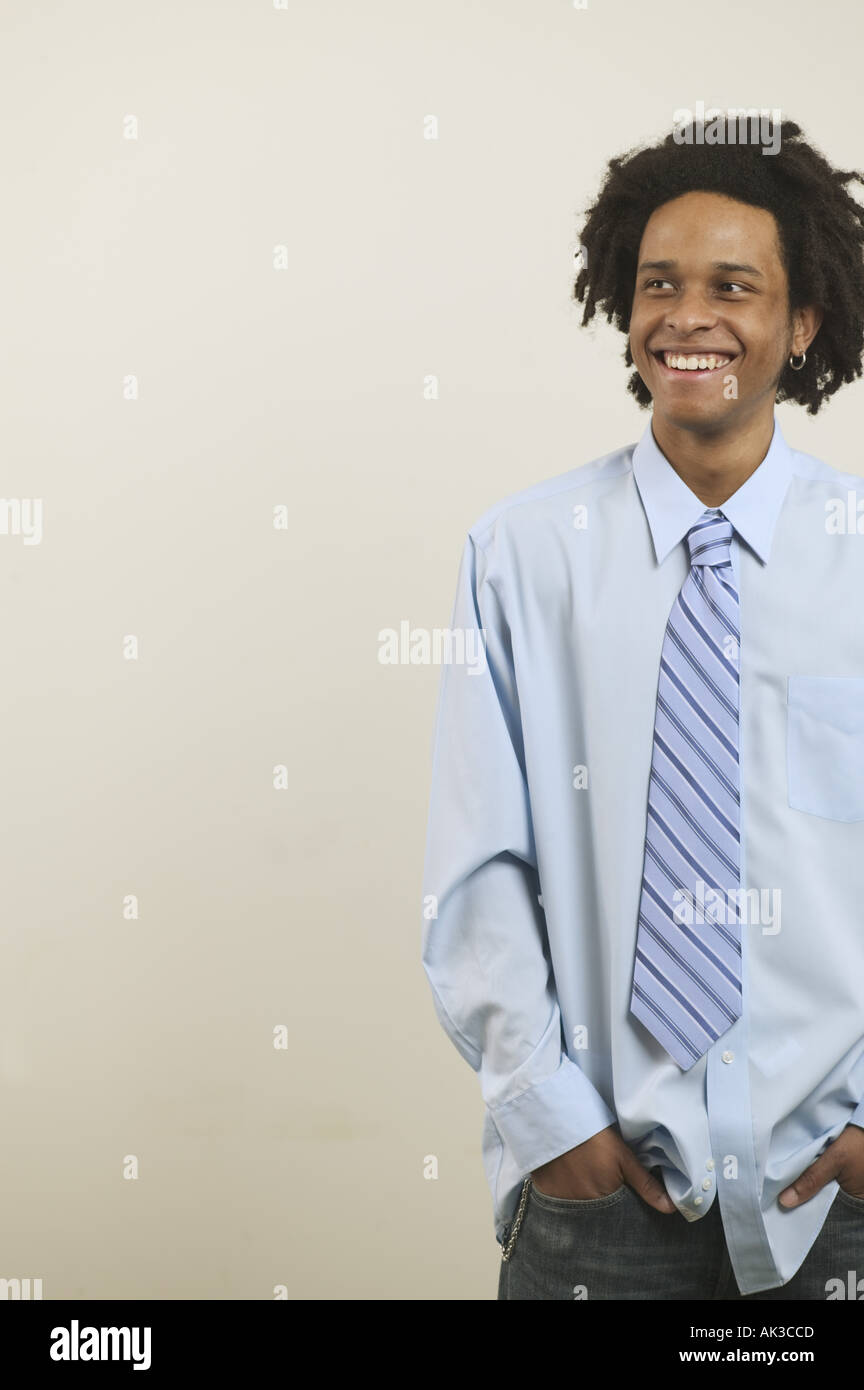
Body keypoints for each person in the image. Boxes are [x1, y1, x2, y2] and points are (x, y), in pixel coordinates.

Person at [421, 115, 864, 1300]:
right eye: (659, 282)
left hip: (842, 1199)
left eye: (735, 285)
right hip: (599, 1192)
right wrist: (549, 1121)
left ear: (801, 322)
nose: (689, 316)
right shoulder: (522, 554)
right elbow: (476, 866)